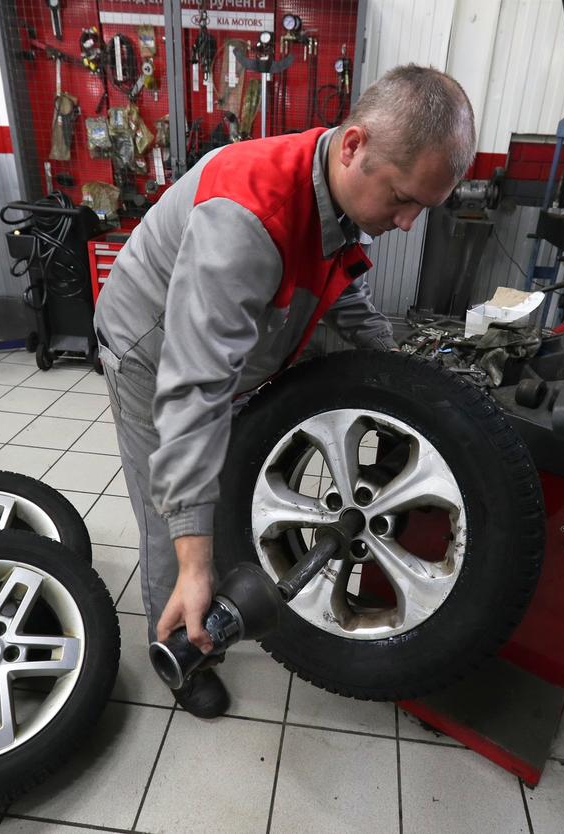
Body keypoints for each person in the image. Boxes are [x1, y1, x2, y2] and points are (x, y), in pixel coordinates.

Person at [94, 64, 476, 717]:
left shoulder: (337, 190)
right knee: (174, 511)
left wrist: (404, 369)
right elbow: (193, 393)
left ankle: (202, 587)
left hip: (238, 346)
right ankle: (181, 652)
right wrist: (195, 557)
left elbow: (342, 289)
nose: (409, 223)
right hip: (153, 353)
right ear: (353, 146)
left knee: (225, 476)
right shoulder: (245, 218)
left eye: (423, 207)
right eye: (405, 199)